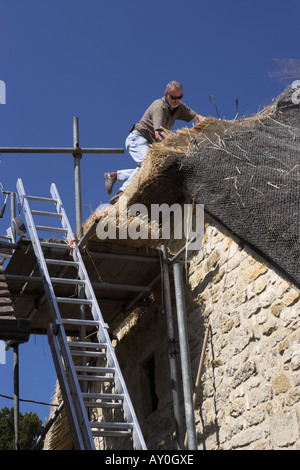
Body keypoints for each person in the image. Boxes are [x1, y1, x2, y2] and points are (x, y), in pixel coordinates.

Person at [105, 80, 205, 204]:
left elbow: (196, 116)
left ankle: (115, 176)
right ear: (166, 94)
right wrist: (180, 144)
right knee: (149, 163)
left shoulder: (179, 106)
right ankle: (121, 192)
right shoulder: (160, 107)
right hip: (138, 139)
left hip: (149, 144)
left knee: (159, 168)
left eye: (179, 97)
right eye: (174, 97)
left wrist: (206, 123)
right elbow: (159, 134)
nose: (176, 100)